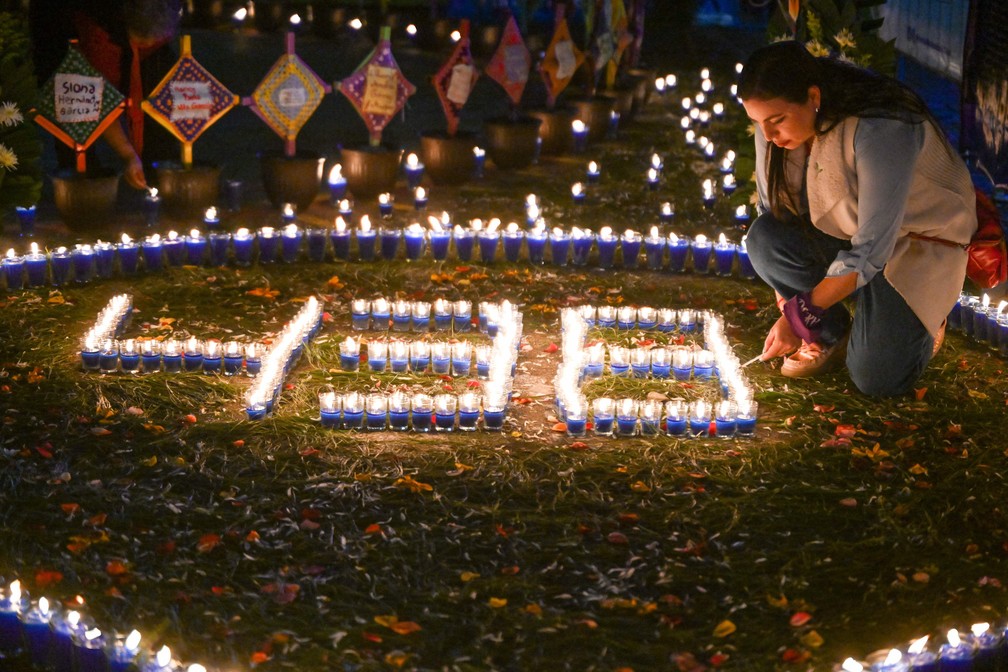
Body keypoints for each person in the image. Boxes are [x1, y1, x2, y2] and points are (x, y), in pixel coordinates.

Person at [737, 40, 977, 396]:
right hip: (850, 230)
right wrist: (795, 308)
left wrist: (799, 314)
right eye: (758, 123)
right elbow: (773, 214)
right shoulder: (774, 132)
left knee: (875, 379)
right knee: (765, 238)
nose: (769, 136)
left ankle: (917, 327)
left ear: (813, 97)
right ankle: (832, 333)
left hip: (916, 243)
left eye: (777, 121)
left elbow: (872, 247)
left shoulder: (881, 126)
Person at [29, 0, 182, 190]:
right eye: (142, 43)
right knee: (73, 103)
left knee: (159, 71)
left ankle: (156, 168)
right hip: (62, 31)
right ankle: (81, 184)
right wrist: (128, 155)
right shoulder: (99, 34)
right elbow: (95, 100)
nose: (149, 45)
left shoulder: (160, 26)